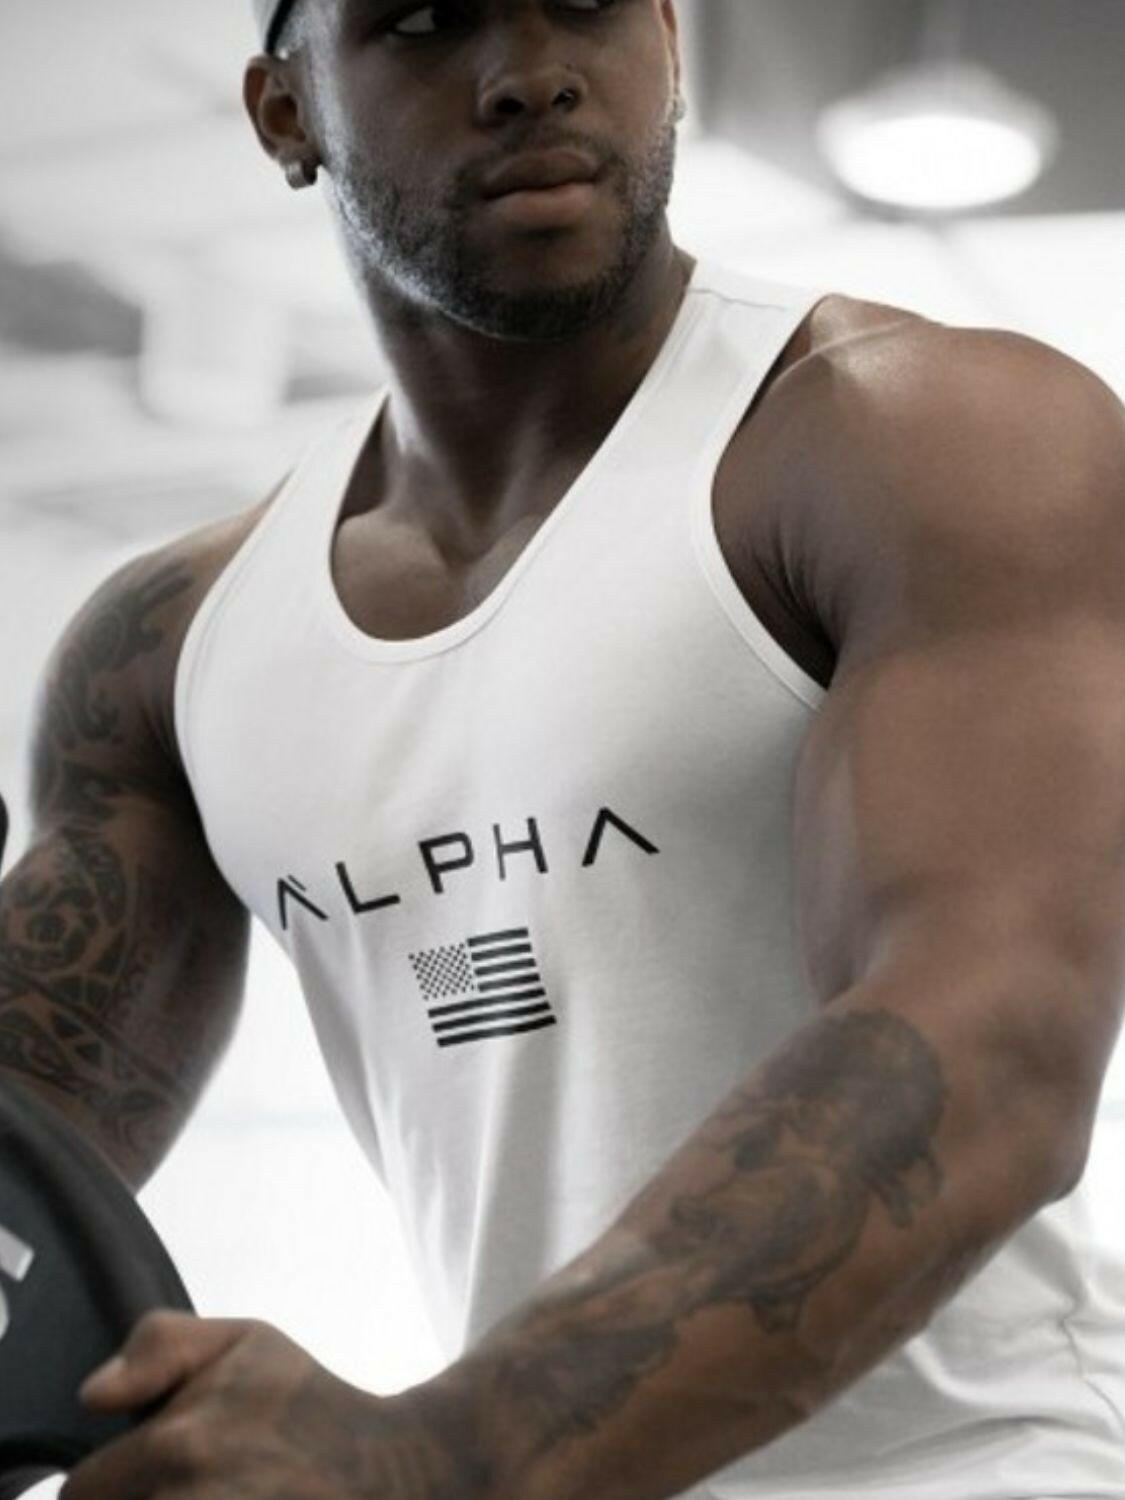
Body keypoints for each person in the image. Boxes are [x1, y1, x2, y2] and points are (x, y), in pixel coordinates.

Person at [2, 0, 1125, 1495]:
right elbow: (24, 1162)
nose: (531, 76)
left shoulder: (921, 438)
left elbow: (995, 1048)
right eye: (422, 22)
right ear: (287, 113)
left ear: (670, 38)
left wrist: (441, 1451)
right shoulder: (166, 650)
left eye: (589, 3)